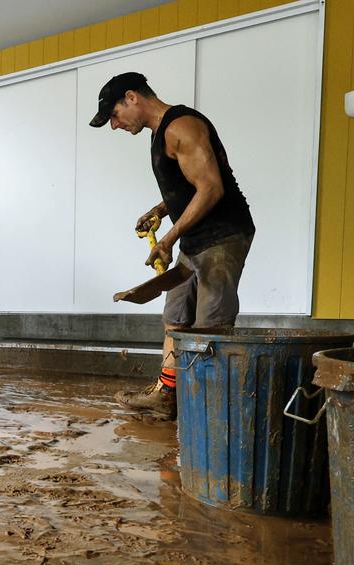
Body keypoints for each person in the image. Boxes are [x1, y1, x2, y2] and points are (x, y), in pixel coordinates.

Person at [90, 72, 254, 420]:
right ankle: (166, 395)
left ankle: (211, 411)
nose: (115, 126)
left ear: (132, 97)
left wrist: (167, 239)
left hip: (222, 237)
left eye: (115, 116)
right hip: (195, 240)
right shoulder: (160, 133)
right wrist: (162, 209)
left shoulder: (182, 127)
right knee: (176, 317)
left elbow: (211, 188)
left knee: (211, 326)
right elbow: (190, 183)